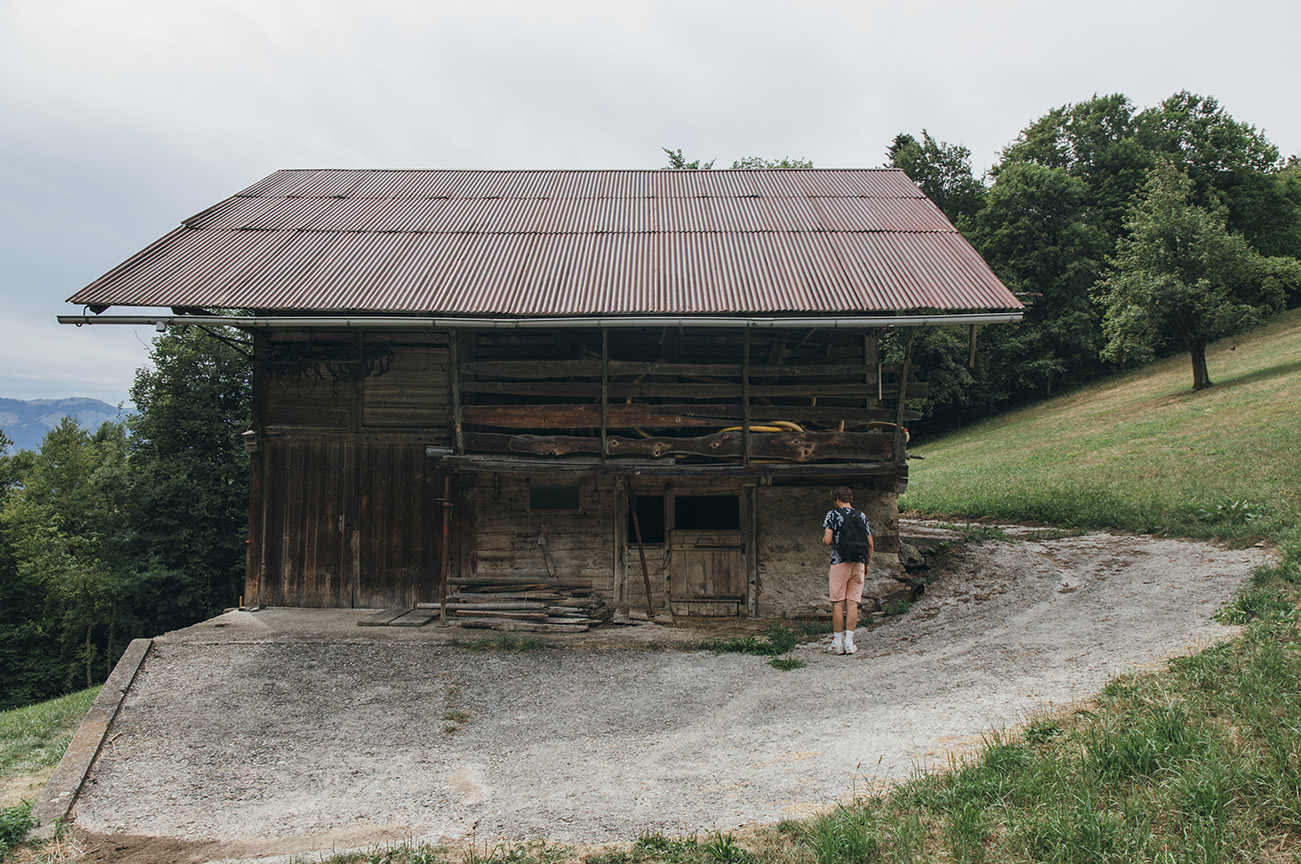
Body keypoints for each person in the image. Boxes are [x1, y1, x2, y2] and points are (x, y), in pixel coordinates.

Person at [822, 486, 872, 655]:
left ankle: (837, 643)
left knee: (838, 602)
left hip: (839, 562)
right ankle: (849, 643)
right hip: (858, 563)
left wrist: (824, 538)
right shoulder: (861, 516)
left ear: (836, 499)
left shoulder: (832, 515)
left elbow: (828, 540)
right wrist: (866, 564)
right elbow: (870, 543)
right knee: (852, 602)